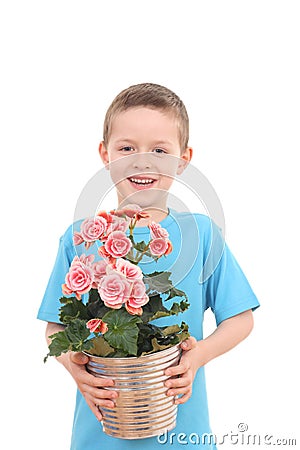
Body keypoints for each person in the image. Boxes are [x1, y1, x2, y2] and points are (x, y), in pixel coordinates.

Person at [38, 83, 260, 449]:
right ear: (105, 154)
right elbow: (54, 326)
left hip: (182, 435)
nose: (142, 161)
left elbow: (241, 317)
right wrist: (72, 364)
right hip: (100, 434)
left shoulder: (200, 234)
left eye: (159, 150)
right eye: (127, 148)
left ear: (183, 159)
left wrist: (197, 357)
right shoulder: (80, 238)